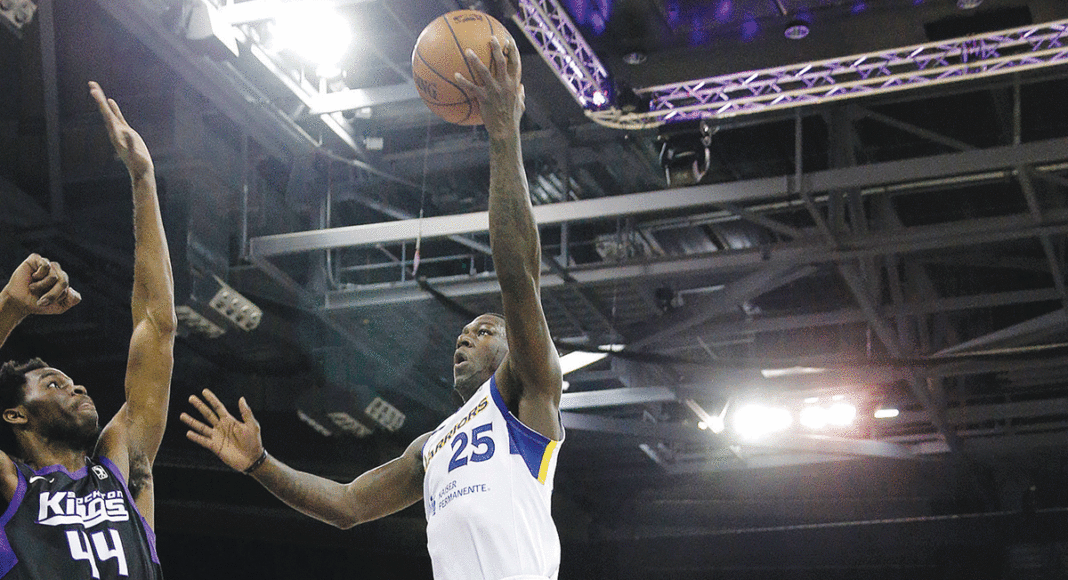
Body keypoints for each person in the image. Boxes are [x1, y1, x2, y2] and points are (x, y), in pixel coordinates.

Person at [181, 35, 565, 580]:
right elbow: (347, 505)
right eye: (464, 332)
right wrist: (261, 465)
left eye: (483, 331)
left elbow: (517, 275)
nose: (464, 336)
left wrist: (503, 136)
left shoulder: (531, 395)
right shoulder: (432, 445)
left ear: (515, 347)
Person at [0, 81, 176, 579]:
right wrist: (11, 307)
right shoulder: (12, 487)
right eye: (53, 383)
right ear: (14, 415)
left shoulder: (122, 470)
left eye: (69, 380)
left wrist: (143, 178)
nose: (75, 385)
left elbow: (156, 328)